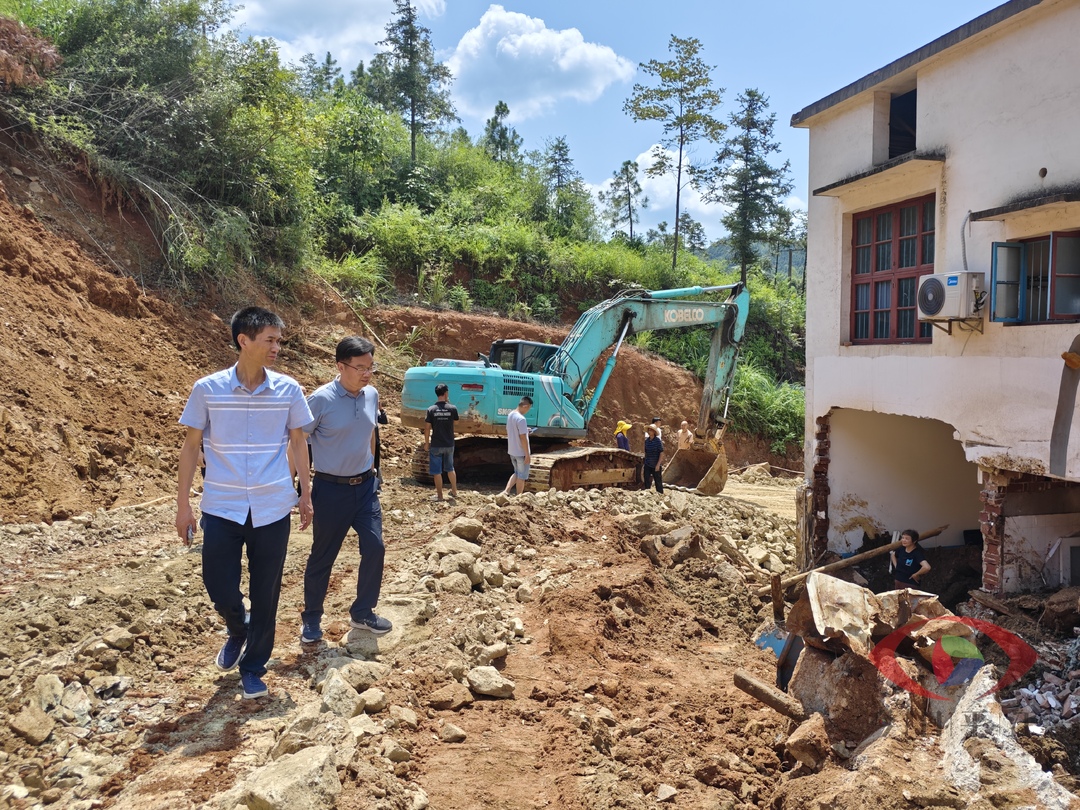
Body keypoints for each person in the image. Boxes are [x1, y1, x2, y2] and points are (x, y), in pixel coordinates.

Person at [175, 307, 313, 701]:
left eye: (278, 340)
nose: (277, 347)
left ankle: (254, 667)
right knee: (218, 586)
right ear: (244, 340)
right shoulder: (208, 389)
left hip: (272, 506)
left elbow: (298, 442)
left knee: (266, 590)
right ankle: (238, 627)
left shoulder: (288, 389)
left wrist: (306, 492)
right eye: (270, 339)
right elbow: (190, 447)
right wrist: (183, 505)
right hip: (222, 505)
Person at [300, 336, 392, 645]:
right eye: (360, 368)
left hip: (365, 487)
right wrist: (300, 486)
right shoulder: (320, 400)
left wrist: (375, 467)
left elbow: (371, 433)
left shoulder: (371, 395)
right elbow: (298, 440)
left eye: (371, 367)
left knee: (375, 547)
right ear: (341, 366)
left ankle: (363, 611)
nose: (367, 374)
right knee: (323, 556)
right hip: (331, 489)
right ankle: (312, 617)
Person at [424, 382, 459, 501]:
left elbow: (427, 428)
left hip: (436, 444)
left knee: (436, 471)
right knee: (450, 468)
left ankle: (439, 496)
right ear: (446, 393)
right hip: (449, 443)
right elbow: (456, 423)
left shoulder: (431, 410)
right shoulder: (453, 408)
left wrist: (426, 443)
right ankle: (454, 491)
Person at [501, 396, 533, 496]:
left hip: (512, 451)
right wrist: (527, 454)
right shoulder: (521, 419)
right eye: (528, 408)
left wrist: (525, 430)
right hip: (521, 452)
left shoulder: (511, 415)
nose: (528, 411)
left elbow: (514, 430)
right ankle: (519, 497)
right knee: (521, 476)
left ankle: (506, 491)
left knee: (516, 472)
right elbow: (523, 437)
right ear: (525, 406)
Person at [643, 423, 664, 493]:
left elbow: (661, 453)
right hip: (648, 464)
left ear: (654, 432)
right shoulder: (647, 441)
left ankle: (660, 496)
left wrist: (658, 464)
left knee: (658, 483)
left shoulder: (658, 441)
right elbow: (646, 452)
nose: (649, 431)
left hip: (656, 465)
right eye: (649, 430)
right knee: (646, 481)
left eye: (651, 430)